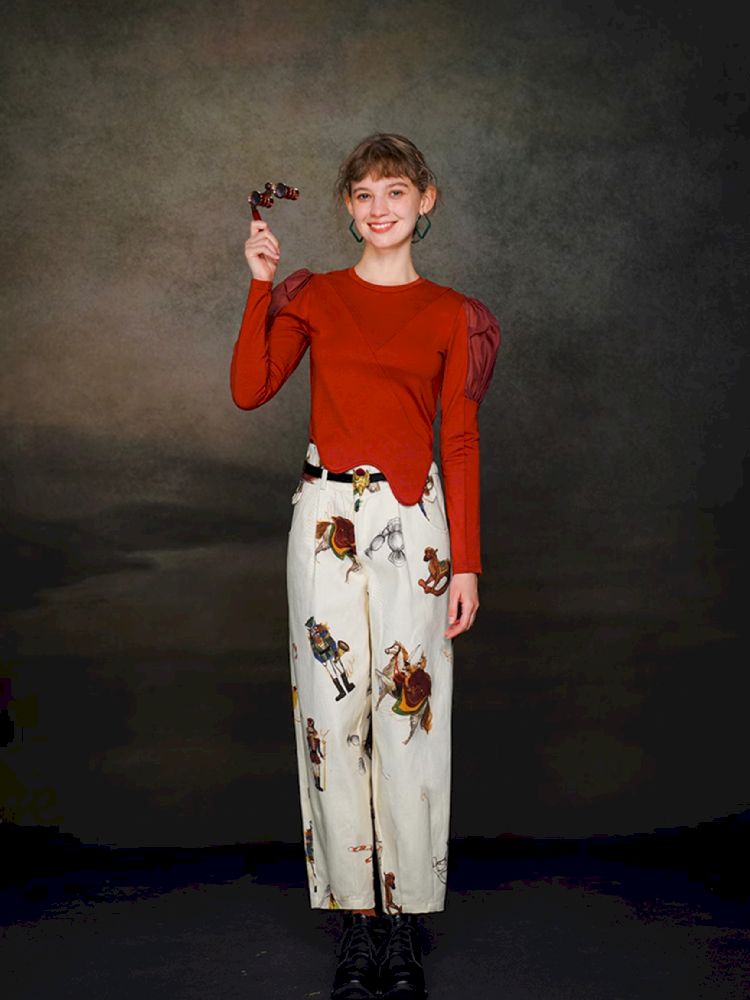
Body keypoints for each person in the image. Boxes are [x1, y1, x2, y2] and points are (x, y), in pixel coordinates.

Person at [230, 133, 501, 1000]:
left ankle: (405, 922)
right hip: (324, 519)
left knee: (410, 721)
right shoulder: (315, 294)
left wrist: (467, 564)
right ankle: (356, 922)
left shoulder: (454, 314)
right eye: (363, 195)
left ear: (426, 199)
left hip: (415, 522)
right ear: (348, 207)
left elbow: (461, 439)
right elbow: (249, 389)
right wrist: (261, 283)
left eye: (395, 191)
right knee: (330, 712)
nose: (379, 209)